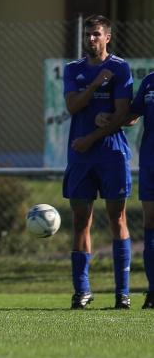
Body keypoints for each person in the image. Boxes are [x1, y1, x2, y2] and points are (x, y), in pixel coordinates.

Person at [62, 15, 133, 310]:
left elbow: (122, 115)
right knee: (81, 221)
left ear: (108, 38)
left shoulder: (120, 68)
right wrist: (94, 85)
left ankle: (123, 292)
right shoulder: (73, 70)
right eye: (87, 35)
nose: (91, 39)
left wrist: (93, 136)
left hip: (111, 153)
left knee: (117, 218)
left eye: (96, 35)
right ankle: (83, 290)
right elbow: (73, 106)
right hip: (80, 156)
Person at [126, 70, 154, 309]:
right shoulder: (149, 81)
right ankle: (153, 290)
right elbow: (132, 115)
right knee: (150, 225)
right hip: (150, 162)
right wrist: (107, 115)